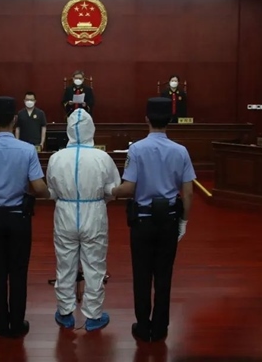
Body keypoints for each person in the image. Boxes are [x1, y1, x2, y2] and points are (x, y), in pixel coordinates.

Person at [111, 97, 195, 342]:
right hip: (169, 220)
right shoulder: (181, 151)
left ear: (146, 119)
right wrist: (183, 222)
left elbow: (128, 188)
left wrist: (111, 190)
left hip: (143, 221)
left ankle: (142, 325)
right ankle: (160, 327)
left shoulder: (137, 149)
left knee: (142, 274)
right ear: (169, 120)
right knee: (164, 275)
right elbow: (188, 192)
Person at [0, 96, 50, 338]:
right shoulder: (27, 150)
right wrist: (48, 192)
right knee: (18, 271)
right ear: (15, 119)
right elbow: (39, 187)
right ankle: (17, 322)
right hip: (19, 218)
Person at [46, 108, 120, 332]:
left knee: (65, 264)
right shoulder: (102, 157)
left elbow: (51, 190)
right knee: (95, 266)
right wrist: (98, 199)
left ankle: (65, 313)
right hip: (94, 212)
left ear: (68, 130)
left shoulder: (56, 157)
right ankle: (94, 316)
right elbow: (113, 189)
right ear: (92, 129)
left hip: (65, 213)